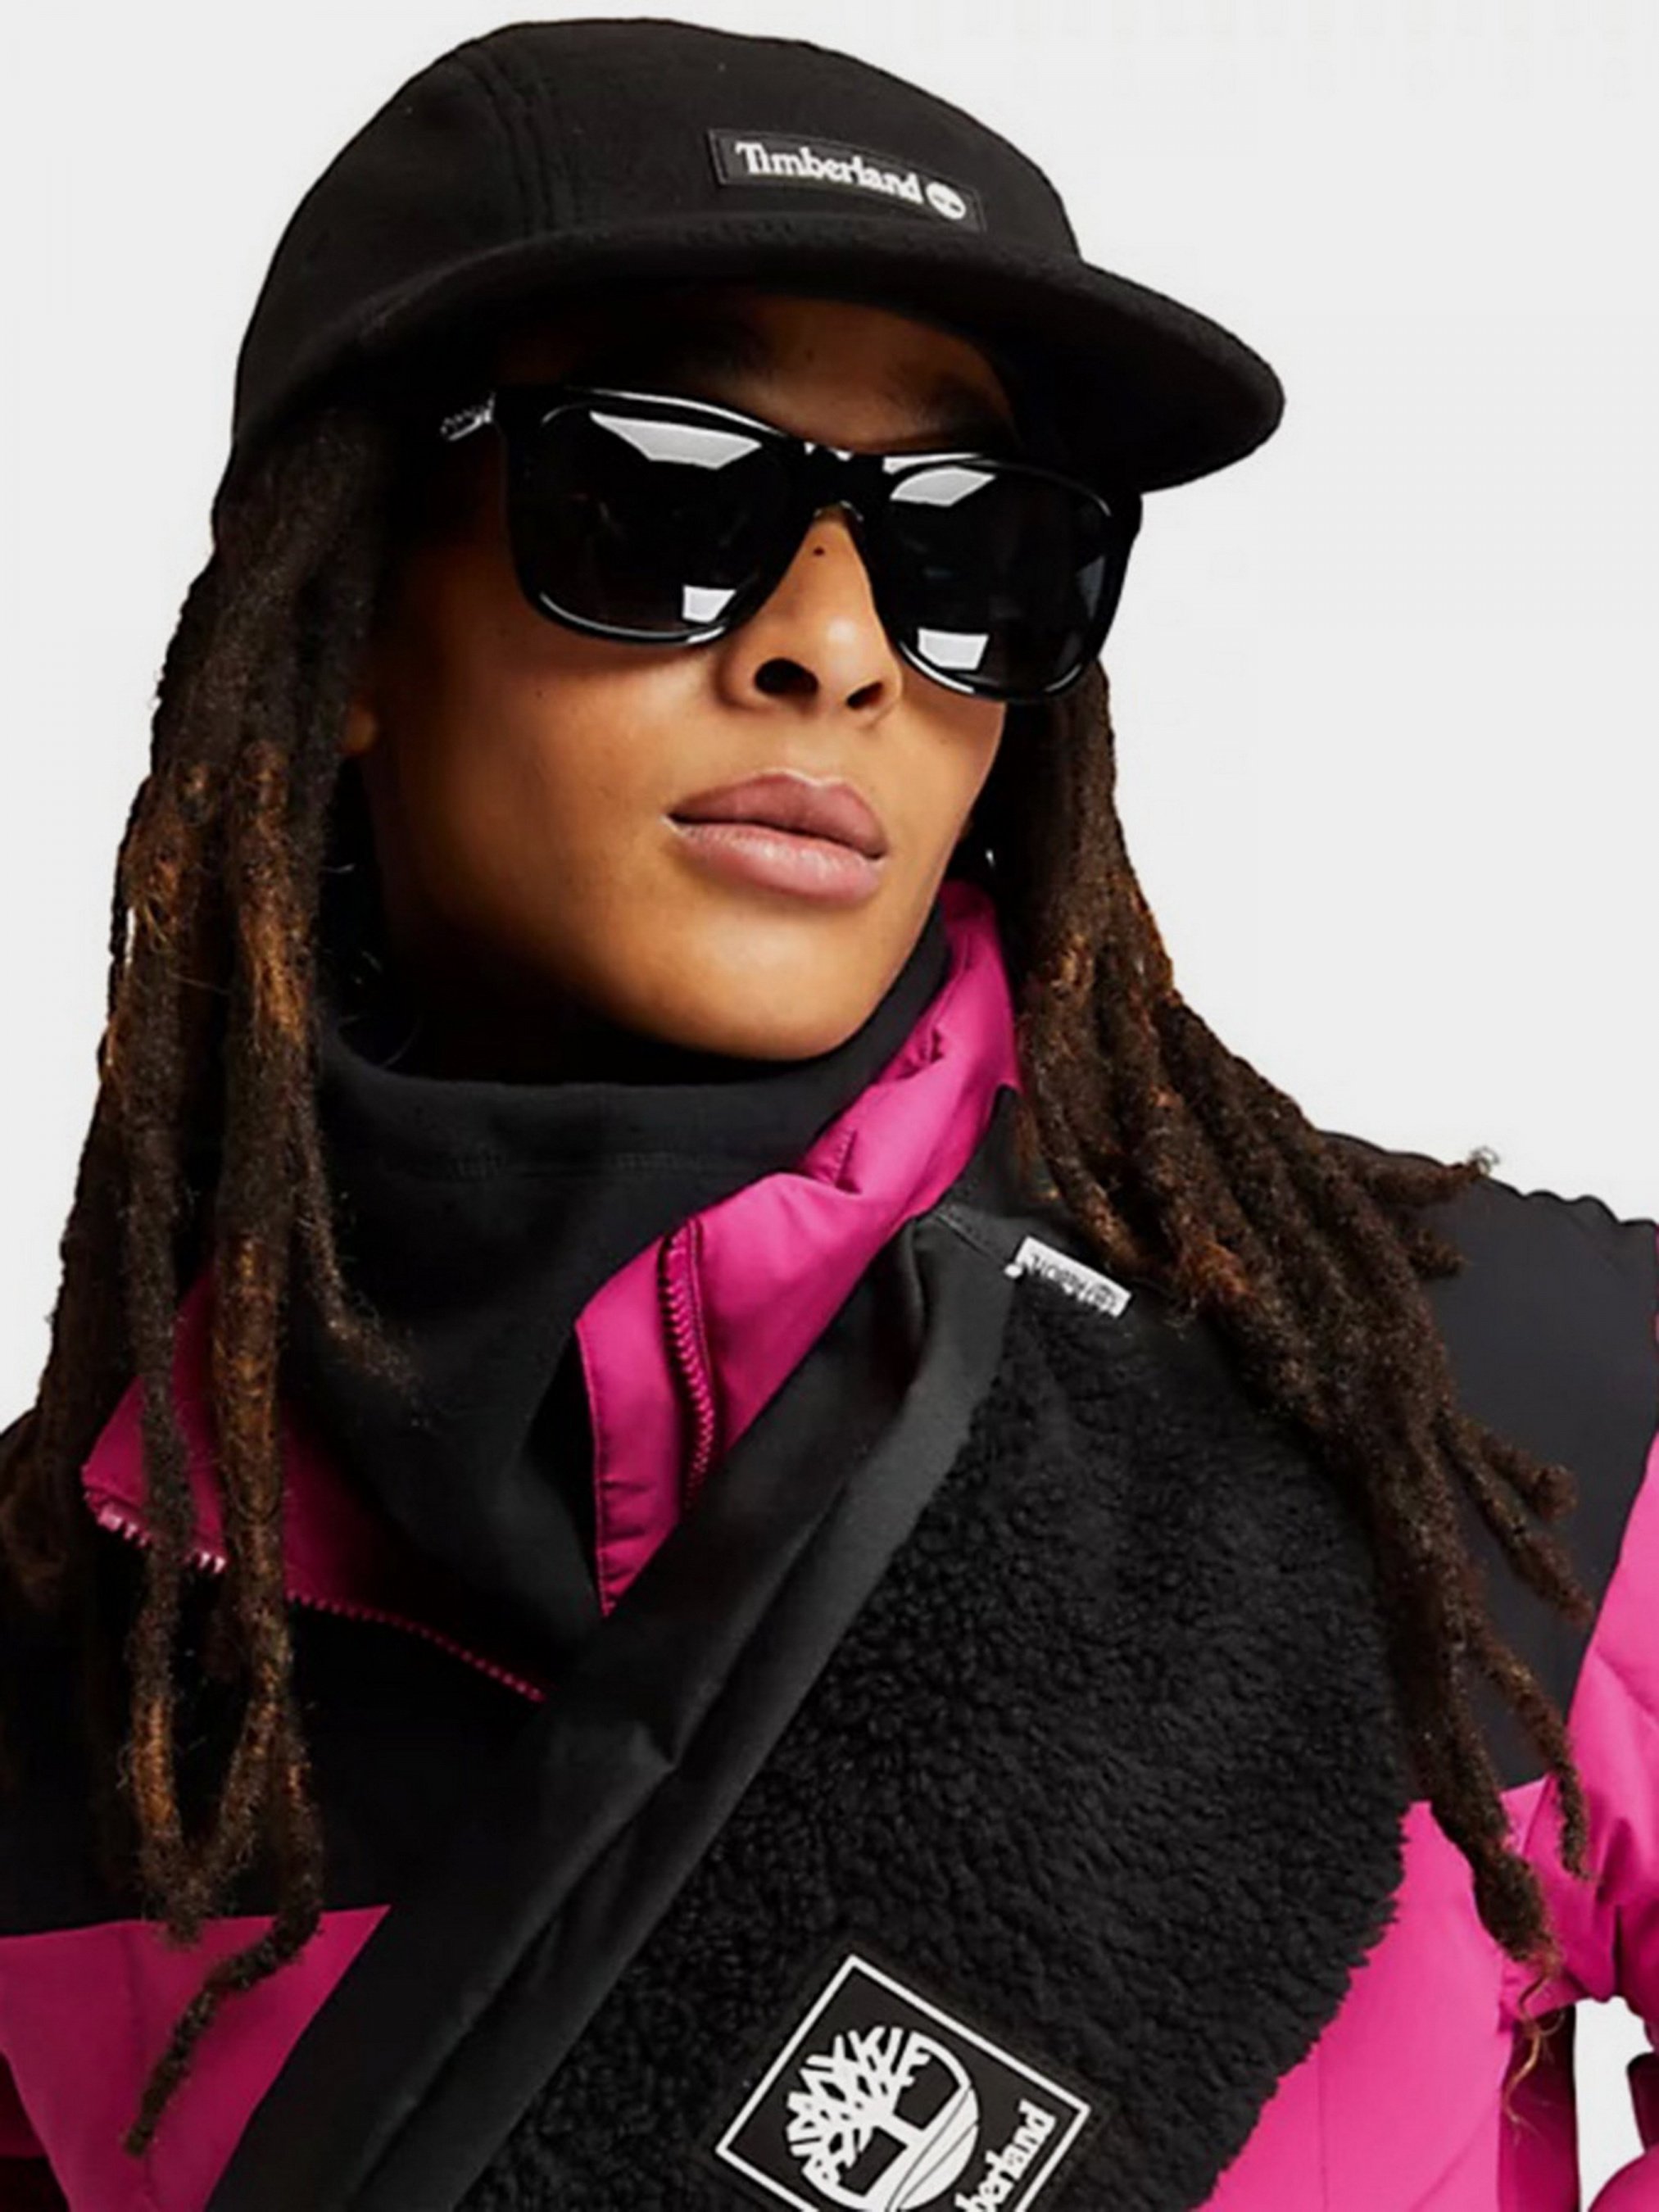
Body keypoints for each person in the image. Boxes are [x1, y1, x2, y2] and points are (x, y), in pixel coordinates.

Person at [0, 17, 1653, 2212]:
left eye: (971, 544)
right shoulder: (71, 1667)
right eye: (657, 488)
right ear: (355, 616)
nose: (837, 644)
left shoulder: (1493, 1420)